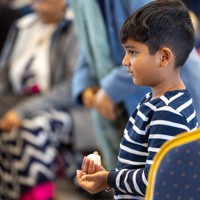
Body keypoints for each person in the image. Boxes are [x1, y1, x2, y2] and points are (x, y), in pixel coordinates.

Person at [76, 0, 198, 199]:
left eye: (132, 52)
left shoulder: (167, 113)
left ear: (164, 57)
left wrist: (108, 178)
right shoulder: (154, 100)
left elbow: (156, 180)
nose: (125, 61)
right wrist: (107, 176)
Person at [0, 0, 80, 199]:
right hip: (15, 102)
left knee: (29, 129)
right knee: (9, 131)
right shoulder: (22, 26)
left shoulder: (74, 27)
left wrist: (22, 111)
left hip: (62, 107)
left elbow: (70, 87)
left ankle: (39, 196)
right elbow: (3, 76)